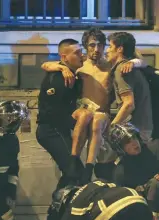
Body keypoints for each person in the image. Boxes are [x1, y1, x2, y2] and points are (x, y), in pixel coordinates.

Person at [41, 28, 146, 184]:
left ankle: (91, 173)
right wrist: (62, 68)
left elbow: (143, 62)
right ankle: (74, 166)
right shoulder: (80, 65)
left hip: (102, 120)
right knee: (72, 170)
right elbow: (46, 65)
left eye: (101, 45)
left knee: (105, 166)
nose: (96, 49)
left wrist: (133, 62)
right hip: (82, 119)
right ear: (85, 47)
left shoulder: (111, 65)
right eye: (92, 45)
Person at [36, 38, 86, 220]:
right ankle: (58, 214)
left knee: (72, 171)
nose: (81, 55)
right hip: (51, 130)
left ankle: (57, 214)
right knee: (76, 171)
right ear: (64, 57)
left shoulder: (71, 73)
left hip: (59, 130)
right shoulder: (58, 78)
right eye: (76, 52)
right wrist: (79, 121)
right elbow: (54, 112)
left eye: (81, 51)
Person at [106, 32, 153, 141]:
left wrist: (111, 128)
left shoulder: (122, 70)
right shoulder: (129, 66)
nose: (107, 50)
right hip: (141, 128)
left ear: (120, 49)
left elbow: (128, 104)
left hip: (135, 131)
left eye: (110, 46)